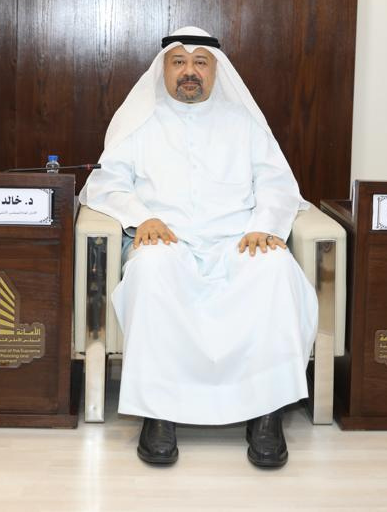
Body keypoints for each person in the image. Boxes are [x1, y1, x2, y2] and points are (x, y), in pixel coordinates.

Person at [81, 26, 319, 468]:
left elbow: (278, 184)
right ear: (164, 70)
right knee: (151, 269)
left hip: (237, 241)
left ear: (215, 70)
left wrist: (265, 226)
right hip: (168, 241)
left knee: (274, 269)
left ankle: (266, 413)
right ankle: (159, 412)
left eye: (199, 63)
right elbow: (106, 183)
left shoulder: (244, 124)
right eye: (179, 62)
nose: (189, 71)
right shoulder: (140, 123)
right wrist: (142, 217)